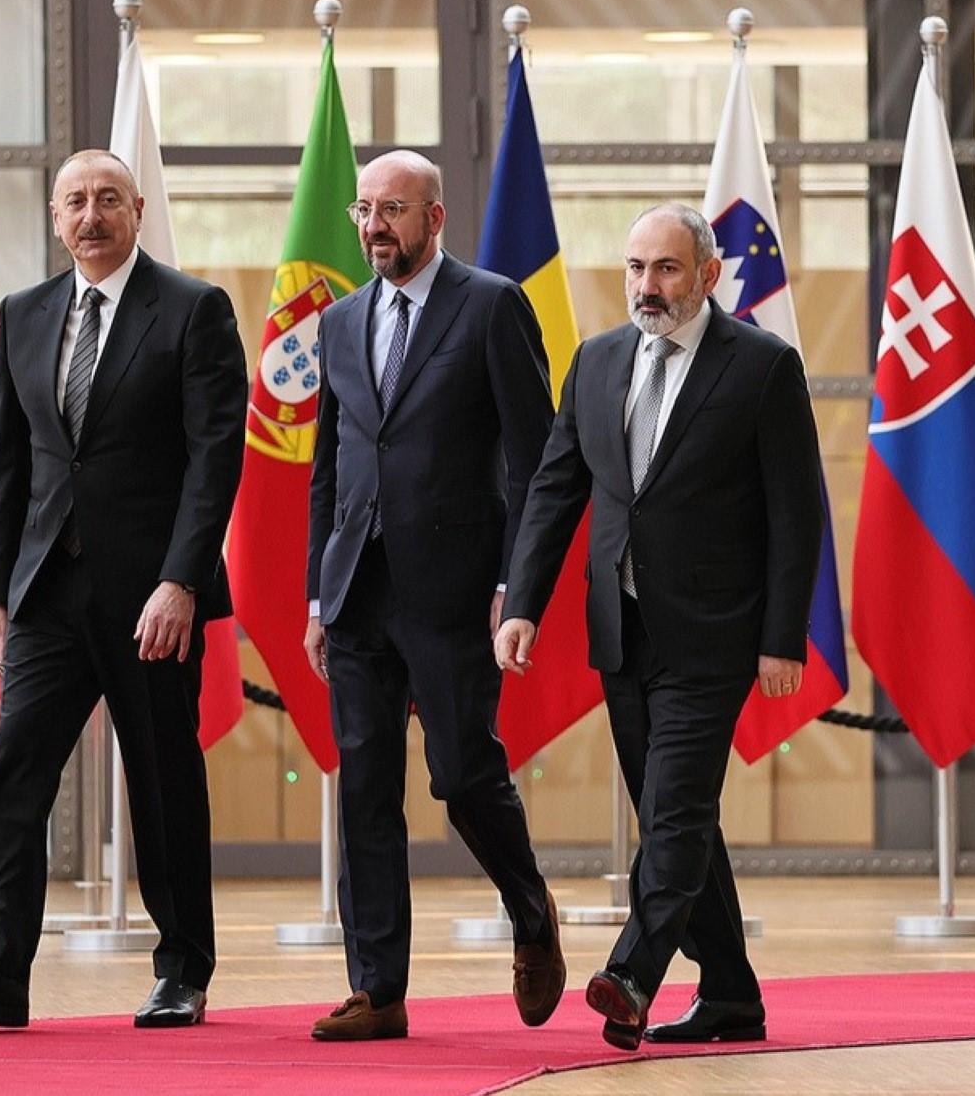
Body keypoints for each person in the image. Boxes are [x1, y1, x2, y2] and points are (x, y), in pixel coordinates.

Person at [0, 150, 246, 1030]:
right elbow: (8, 469)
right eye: (73, 203)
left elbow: (216, 461)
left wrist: (181, 581)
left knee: (163, 779)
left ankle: (182, 969)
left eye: (106, 199)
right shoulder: (24, 315)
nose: (90, 216)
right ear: (56, 221)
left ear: (136, 208)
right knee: (16, 766)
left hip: (152, 598)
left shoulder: (193, 309)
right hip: (47, 590)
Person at [494, 202, 824, 1051]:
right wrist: (523, 598)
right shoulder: (598, 362)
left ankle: (633, 972)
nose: (647, 285)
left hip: (715, 634)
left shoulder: (762, 366)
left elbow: (798, 514)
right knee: (679, 815)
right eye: (637, 267)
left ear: (708, 275)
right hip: (623, 631)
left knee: (672, 811)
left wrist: (784, 634)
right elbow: (554, 491)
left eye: (667, 269)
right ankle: (731, 996)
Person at [303, 149, 565, 1040]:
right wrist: (315, 596)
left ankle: (532, 913)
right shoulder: (339, 322)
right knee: (365, 785)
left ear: (435, 217)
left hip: (456, 593)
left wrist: (515, 583)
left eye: (394, 210)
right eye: (365, 209)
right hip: (357, 593)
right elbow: (328, 469)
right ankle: (377, 987)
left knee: (460, 775)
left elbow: (537, 463)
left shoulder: (491, 304)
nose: (376, 225)